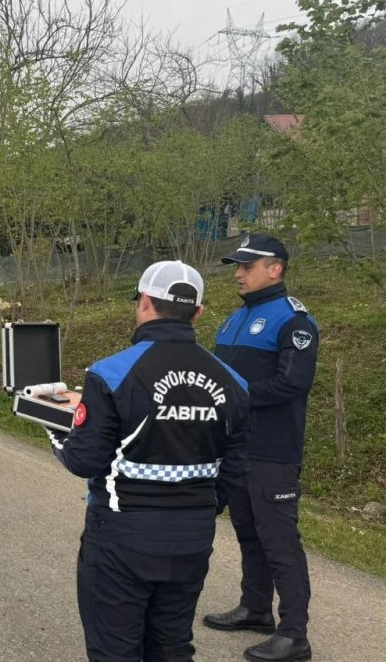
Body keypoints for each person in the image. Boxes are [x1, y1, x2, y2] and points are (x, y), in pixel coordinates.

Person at [49, 260, 249, 662]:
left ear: (144, 302)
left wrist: (55, 429)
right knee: (172, 646)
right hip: (192, 536)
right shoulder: (234, 381)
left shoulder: (111, 373)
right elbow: (237, 465)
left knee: (115, 650)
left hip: (121, 536)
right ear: (198, 313)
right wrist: (204, 508)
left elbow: (85, 460)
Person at [203, 234, 319, 662]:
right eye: (238, 265)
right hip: (234, 448)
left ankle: (295, 634)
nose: (238, 272)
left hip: (272, 450)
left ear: (276, 269)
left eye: (247, 266)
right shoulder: (232, 319)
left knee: (279, 541)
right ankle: (255, 608)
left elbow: (293, 383)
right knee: (248, 533)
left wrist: (236, 396)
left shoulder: (294, 320)